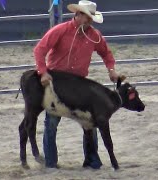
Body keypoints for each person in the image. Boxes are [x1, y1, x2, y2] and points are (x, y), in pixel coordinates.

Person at [34, 0, 119, 169]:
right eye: (87, 17)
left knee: (90, 120)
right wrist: (42, 71)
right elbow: (40, 49)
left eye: (91, 18)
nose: (89, 21)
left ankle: (92, 161)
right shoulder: (60, 30)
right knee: (51, 121)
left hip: (79, 85)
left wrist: (111, 69)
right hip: (57, 82)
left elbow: (106, 53)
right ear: (77, 15)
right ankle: (51, 163)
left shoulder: (94, 35)